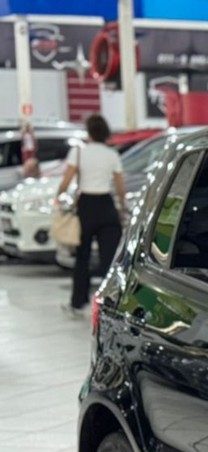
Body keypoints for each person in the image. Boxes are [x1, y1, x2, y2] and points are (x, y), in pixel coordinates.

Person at [56, 114, 125, 316]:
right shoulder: (111, 154)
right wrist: (122, 207)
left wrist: (58, 195)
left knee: (82, 256)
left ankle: (78, 302)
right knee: (109, 259)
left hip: (86, 206)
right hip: (106, 205)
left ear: (89, 132)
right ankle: (110, 303)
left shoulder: (79, 152)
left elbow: (67, 179)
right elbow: (120, 186)